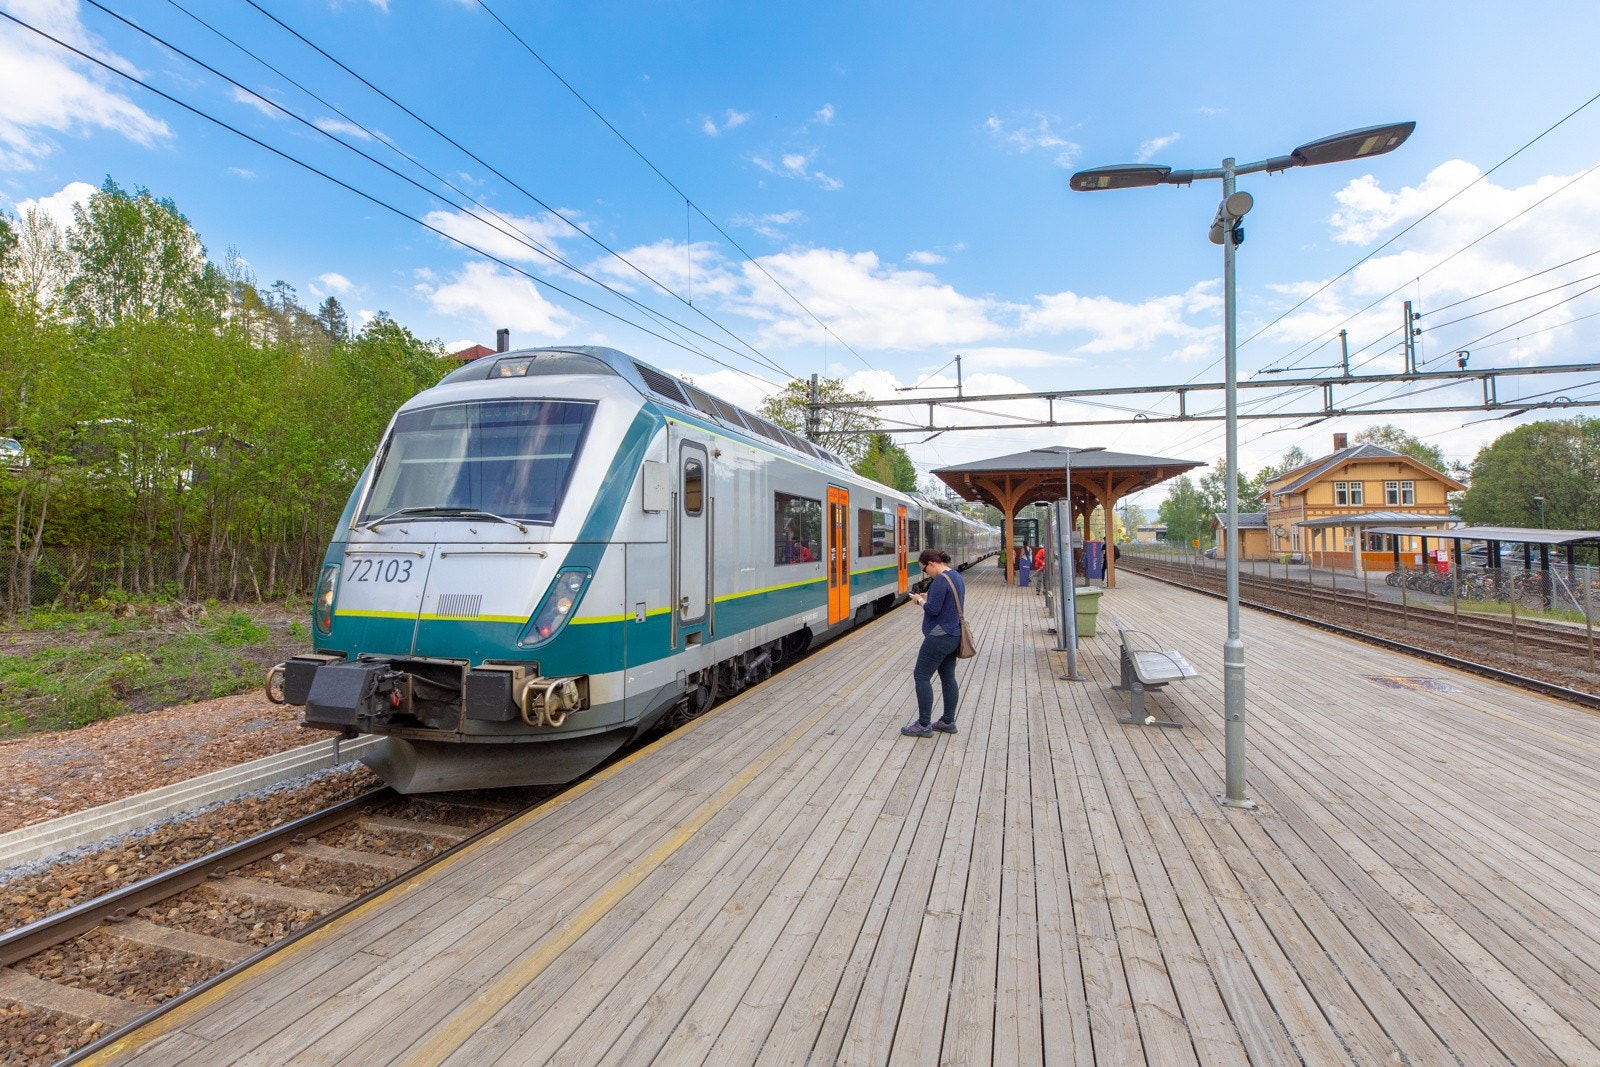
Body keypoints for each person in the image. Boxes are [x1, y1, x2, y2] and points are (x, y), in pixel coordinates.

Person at [902, 548, 965, 737]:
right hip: (954, 634)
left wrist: (919, 601)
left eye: (924, 569)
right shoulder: (956, 576)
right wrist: (928, 597)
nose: (925, 573)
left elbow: (933, 610)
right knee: (948, 677)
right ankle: (948, 721)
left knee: (921, 675)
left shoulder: (939, 581)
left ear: (931, 564)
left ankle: (923, 724)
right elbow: (949, 602)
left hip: (939, 636)